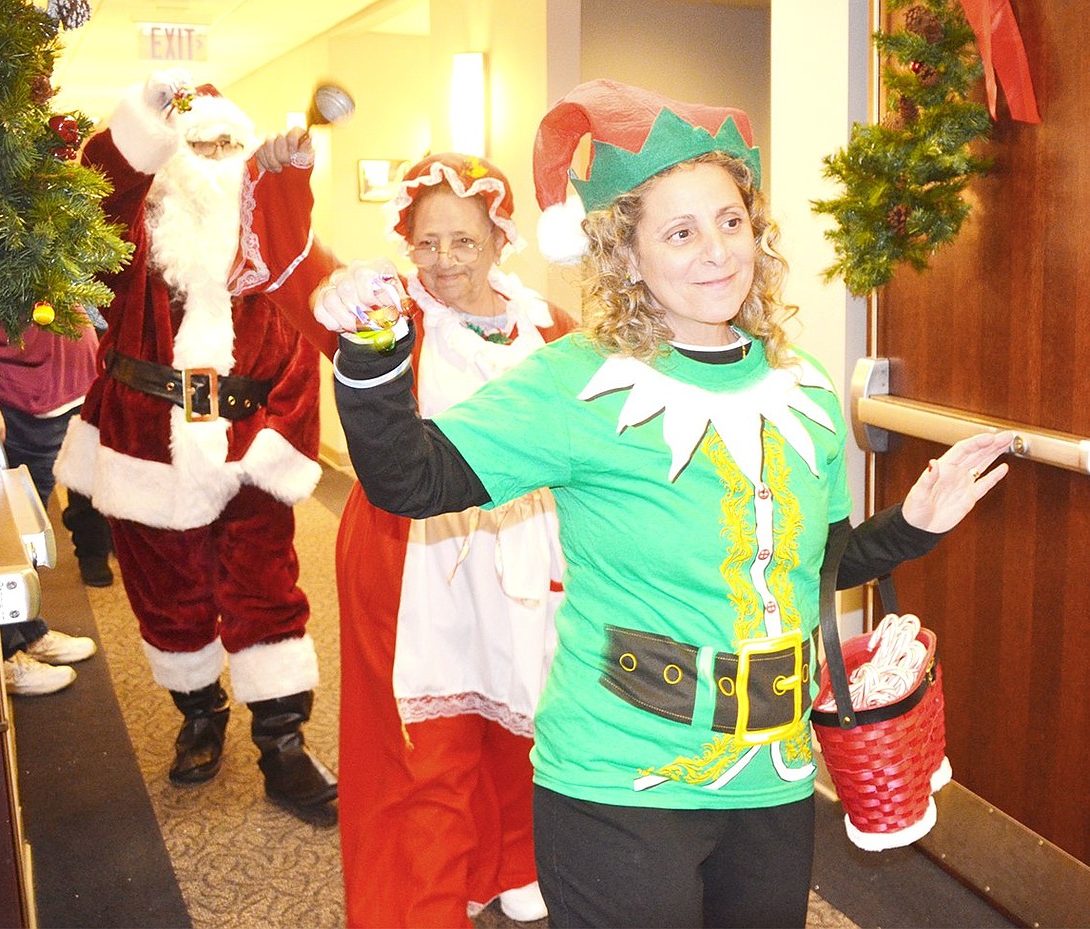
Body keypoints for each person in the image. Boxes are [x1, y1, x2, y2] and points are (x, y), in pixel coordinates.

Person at [313, 80, 1014, 928]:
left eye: (730, 221)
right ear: (627, 252)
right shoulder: (578, 380)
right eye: (680, 232)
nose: (717, 252)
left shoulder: (807, 390)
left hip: (774, 777)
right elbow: (409, 480)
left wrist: (914, 525)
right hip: (618, 779)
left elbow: (816, 570)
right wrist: (375, 346)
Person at [54, 70, 339, 820]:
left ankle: (283, 746)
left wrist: (274, 450)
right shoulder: (130, 245)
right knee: (167, 600)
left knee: (267, 597)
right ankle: (199, 717)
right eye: (195, 144)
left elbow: (302, 357)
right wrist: (145, 119)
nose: (209, 157)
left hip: (250, 453)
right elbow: (100, 188)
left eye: (225, 144)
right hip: (143, 450)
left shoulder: (274, 251)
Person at [314, 153, 573, 928]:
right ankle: (419, 904)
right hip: (411, 556)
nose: (445, 262)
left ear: (500, 238)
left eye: (463, 242)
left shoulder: (549, 325)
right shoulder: (396, 319)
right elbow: (344, 342)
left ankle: (510, 862)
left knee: (525, 711)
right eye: (427, 243)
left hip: (525, 547)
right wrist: (353, 314)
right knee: (423, 741)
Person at [0, 314, 100, 696]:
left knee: (30, 519)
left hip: (55, 391)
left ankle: (28, 631)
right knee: (9, 531)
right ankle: (5, 653)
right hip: (18, 395)